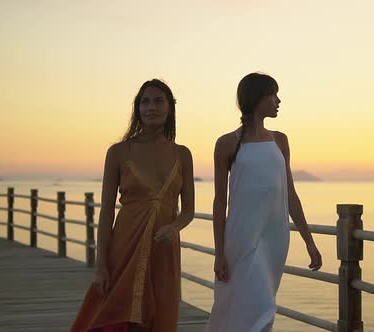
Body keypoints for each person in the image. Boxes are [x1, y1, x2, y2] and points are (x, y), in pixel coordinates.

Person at [71, 79, 195, 332]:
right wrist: (100, 265)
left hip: (164, 250)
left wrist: (174, 228)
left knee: (161, 316)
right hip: (124, 247)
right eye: (145, 101)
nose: (151, 107)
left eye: (159, 101)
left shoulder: (182, 154)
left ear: (170, 107)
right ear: (137, 108)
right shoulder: (118, 152)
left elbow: (189, 210)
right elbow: (106, 211)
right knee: (122, 316)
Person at [206, 73, 322, 332]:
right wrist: (219, 253)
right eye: (273, 95)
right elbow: (218, 202)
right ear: (258, 98)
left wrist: (309, 241)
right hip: (242, 238)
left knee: (261, 302)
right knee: (251, 305)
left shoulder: (280, 141)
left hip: (275, 240)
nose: (278, 101)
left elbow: (290, 195)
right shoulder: (227, 144)